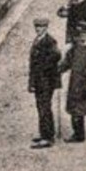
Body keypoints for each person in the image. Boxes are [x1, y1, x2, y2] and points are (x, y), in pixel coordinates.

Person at [27, 17, 62, 149]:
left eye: (41, 27)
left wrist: (44, 68)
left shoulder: (49, 41)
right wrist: (31, 82)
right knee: (41, 107)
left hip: (46, 81)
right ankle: (45, 134)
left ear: (46, 28)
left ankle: (47, 137)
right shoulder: (38, 40)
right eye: (36, 27)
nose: (38, 29)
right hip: (39, 80)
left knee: (44, 108)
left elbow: (57, 56)